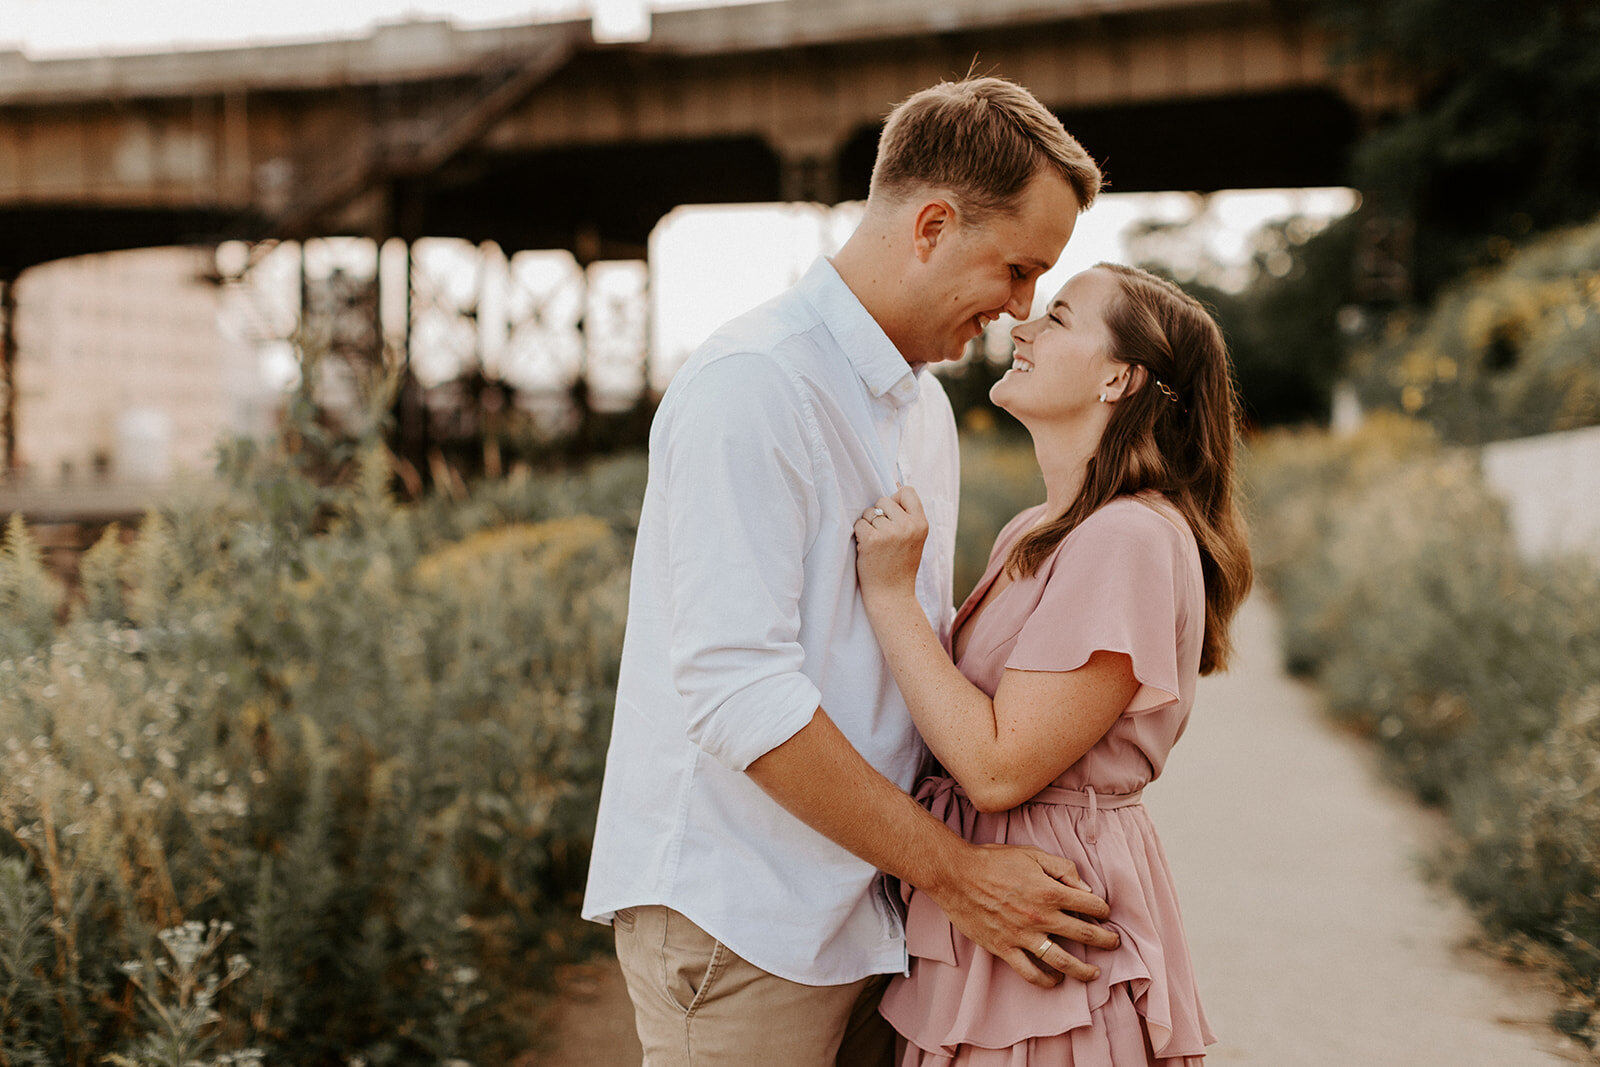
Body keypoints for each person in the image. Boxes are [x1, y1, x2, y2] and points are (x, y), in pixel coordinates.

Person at [582, 77, 1115, 1065]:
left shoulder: (921, 410)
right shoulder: (754, 385)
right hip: (744, 922)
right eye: (1016, 268)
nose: (1018, 310)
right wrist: (958, 873)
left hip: (872, 903)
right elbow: (738, 692)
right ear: (931, 224)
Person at [853, 263, 1254, 1065]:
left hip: (1043, 922)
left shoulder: (1128, 537)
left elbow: (999, 768)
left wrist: (891, 595)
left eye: (1060, 317)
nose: (1023, 325)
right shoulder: (1041, 528)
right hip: (999, 907)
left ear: (1120, 377)